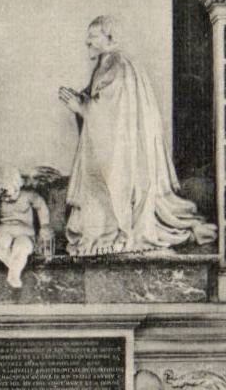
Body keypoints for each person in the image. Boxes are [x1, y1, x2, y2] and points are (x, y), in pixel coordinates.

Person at [58, 16, 217, 256]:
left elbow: (112, 113)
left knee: (111, 185)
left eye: (92, 36)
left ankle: (114, 234)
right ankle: (103, 235)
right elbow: (102, 102)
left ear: (109, 37)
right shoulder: (106, 63)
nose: (87, 42)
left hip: (118, 150)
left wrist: (81, 106)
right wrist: (81, 100)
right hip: (102, 147)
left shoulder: (119, 64)